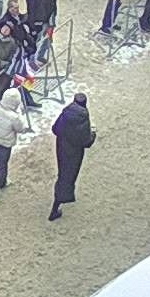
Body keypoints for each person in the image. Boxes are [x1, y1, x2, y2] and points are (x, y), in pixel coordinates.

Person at [49, 92, 95, 221]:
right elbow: (86, 142)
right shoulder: (83, 119)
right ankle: (55, 207)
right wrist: (93, 135)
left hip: (61, 148)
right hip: (74, 153)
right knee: (67, 177)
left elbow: (55, 129)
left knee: (62, 174)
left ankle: (58, 202)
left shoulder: (66, 113)